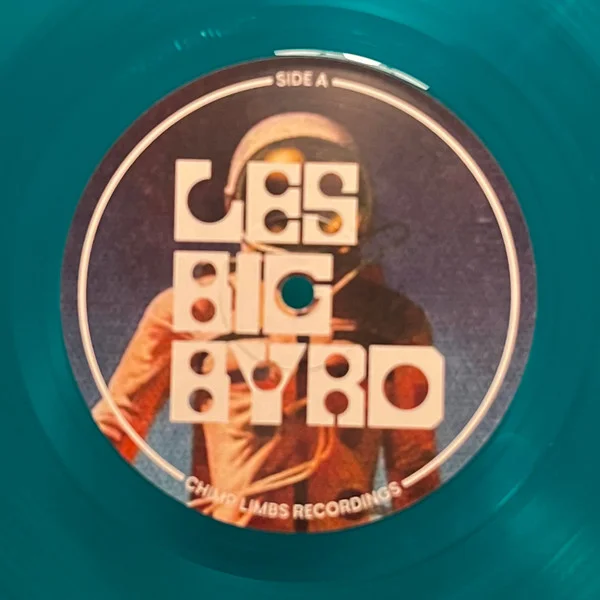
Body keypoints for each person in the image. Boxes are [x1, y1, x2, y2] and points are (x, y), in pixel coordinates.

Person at [92, 112, 440, 532]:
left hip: (340, 557)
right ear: (240, 201)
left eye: (325, 186)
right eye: (277, 188)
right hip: (228, 556)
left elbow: (415, 469)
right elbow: (113, 431)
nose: (300, 205)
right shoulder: (188, 309)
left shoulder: (395, 322)